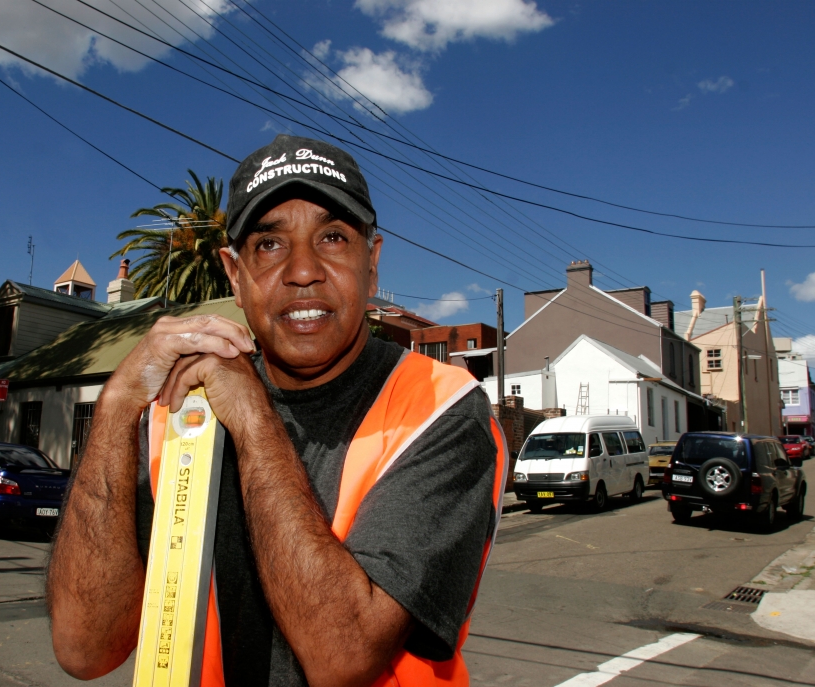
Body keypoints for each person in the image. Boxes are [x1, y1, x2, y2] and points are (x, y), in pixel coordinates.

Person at [47, 134, 507, 686]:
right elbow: (83, 647)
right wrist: (119, 403)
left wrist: (252, 418)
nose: (303, 270)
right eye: (269, 244)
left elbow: (344, 655)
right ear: (234, 274)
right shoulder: (176, 413)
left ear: (372, 264)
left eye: (333, 237)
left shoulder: (441, 408)